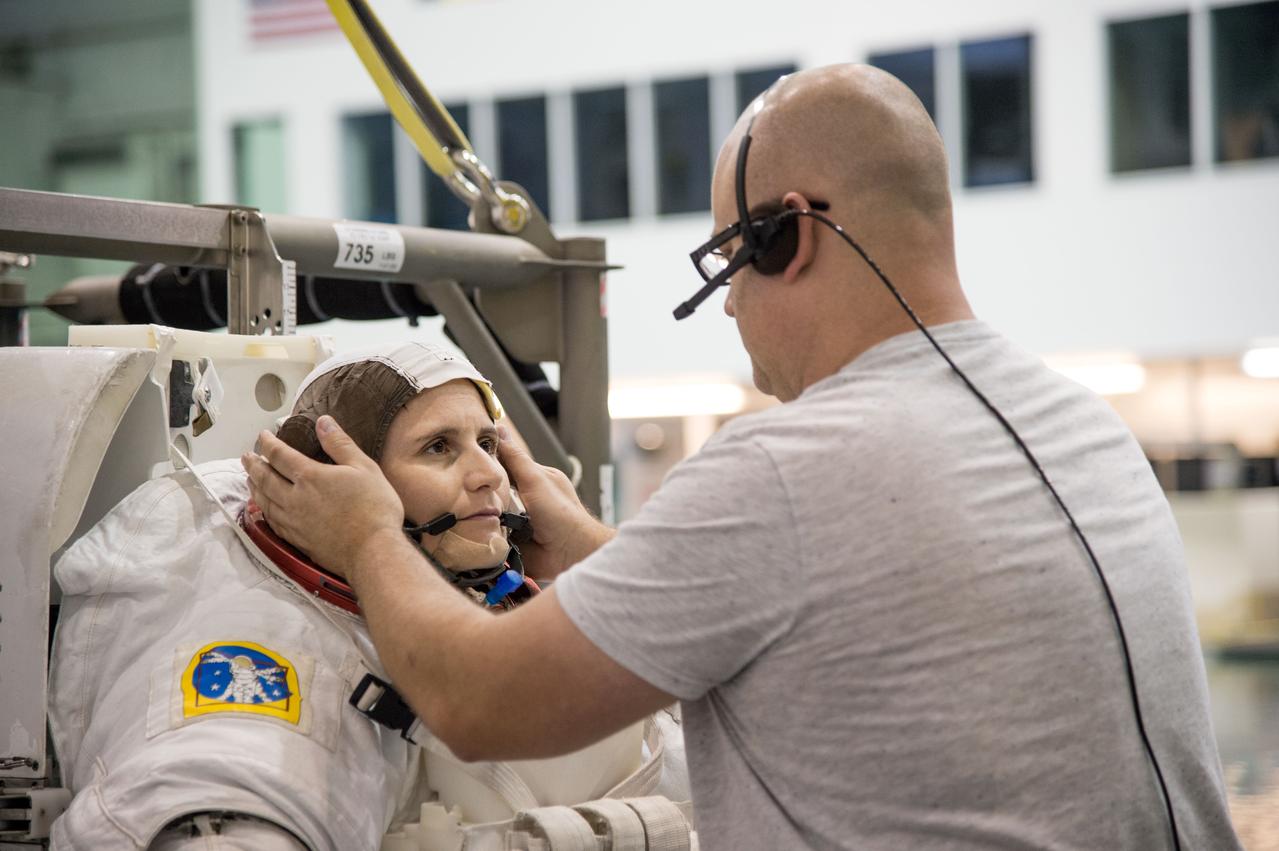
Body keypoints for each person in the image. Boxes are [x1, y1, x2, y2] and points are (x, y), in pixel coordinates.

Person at [243, 64, 1241, 849]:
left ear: (787, 235)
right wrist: (593, 547)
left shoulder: (783, 469)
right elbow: (792, 625)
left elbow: (475, 700)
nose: (727, 303)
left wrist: (369, 531)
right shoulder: (1081, 426)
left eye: (729, 262)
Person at [48, 342, 666, 850]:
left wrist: (585, 546)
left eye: (488, 443)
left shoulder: (514, 611)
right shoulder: (269, 641)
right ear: (333, 485)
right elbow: (221, 799)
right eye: (438, 448)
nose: (489, 475)